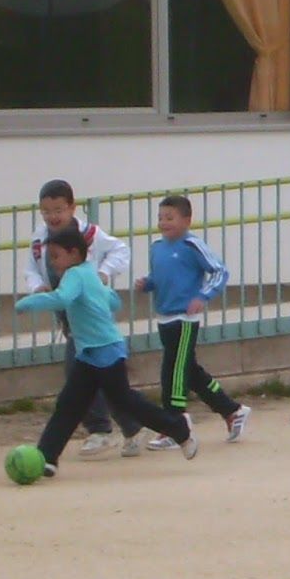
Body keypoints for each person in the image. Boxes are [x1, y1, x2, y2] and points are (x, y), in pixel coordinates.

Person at [16, 224, 197, 475]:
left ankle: (179, 429)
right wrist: (101, 296)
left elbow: (63, 299)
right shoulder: (88, 273)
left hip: (105, 351)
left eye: (56, 256)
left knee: (124, 401)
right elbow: (113, 300)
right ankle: (47, 457)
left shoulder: (75, 275)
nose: (53, 263)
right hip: (90, 353)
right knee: (69, 404)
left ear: (75, 254)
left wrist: (29, 302)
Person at [21, 179, 142, 458]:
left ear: (72, 208)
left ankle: (104, 430)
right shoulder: (40, 239)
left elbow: (120, 250)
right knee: (102, 381)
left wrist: (102, 273)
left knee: (83, 377)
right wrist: (37, 287)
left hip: (91, 322)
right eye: (46, 211)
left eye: (58, 210)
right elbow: (32, 268)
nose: (53, 217)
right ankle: (131, 427)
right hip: (69, 321)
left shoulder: (89, 235)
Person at [135, 194, 251, 448]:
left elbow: (219, 270)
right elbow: (160, 276)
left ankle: (175, 425)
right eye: (160, 218)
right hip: (164, 316)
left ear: (187, 220)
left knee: (173, 370)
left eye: (170, 218)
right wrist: (147, 284)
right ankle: (232, 410)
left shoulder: (192, 245)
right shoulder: (157, 247)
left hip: (185, 318)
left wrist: (203, 295)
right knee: (190, 370)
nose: (164, 223)